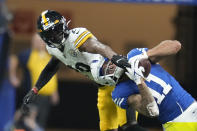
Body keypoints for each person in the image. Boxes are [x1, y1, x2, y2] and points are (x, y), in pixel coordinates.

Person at [21, 10, 144, 131]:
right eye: (50, 34)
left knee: (129, 127)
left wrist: (114, 57)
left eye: (57, 29)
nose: (55, 36)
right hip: (103, 88)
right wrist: (35, 89)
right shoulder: (53, 49)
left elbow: (98, 47)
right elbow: (51, 67)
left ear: (64, 24)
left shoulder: (75, 37)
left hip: (118, 81)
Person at [109, 40, 197, 130]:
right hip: (176, 122)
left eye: (109, 63)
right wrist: (139, 81)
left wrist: (146, 55)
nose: (110, 66)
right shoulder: (119, 92)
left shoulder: (135, 55)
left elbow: (176, 46)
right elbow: (152, 111)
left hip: (193, 106)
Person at [11, 33, 59, 130]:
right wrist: (13, 77)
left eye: (41, 41)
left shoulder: (48, 56)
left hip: (46, 98)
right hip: (33, 95)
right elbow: (13, 60)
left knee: (40, 122)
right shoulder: (28, 54)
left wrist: (55, 91)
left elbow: (52, 75)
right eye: (37, 41)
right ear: (32, 42)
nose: (39, 43)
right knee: (27, 121)